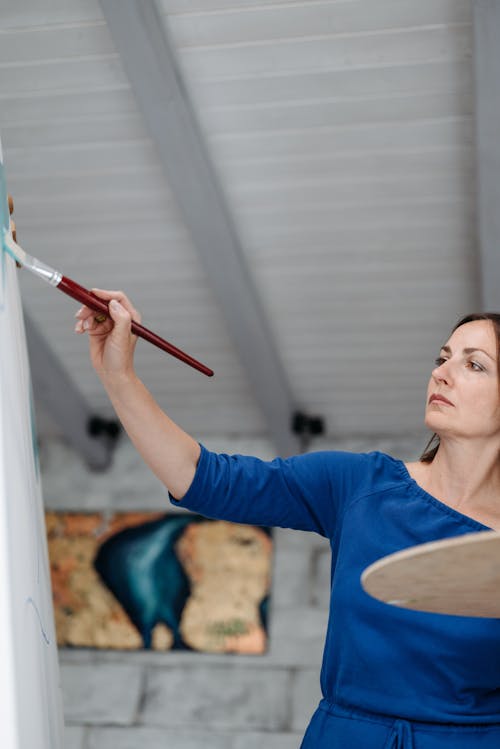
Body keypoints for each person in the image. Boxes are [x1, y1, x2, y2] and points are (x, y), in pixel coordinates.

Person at [74, 291, 500, 748]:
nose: (441, 373)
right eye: (443, 357)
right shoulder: (359, 485)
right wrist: (118, 375)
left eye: (473, 365)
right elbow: (206, 479)